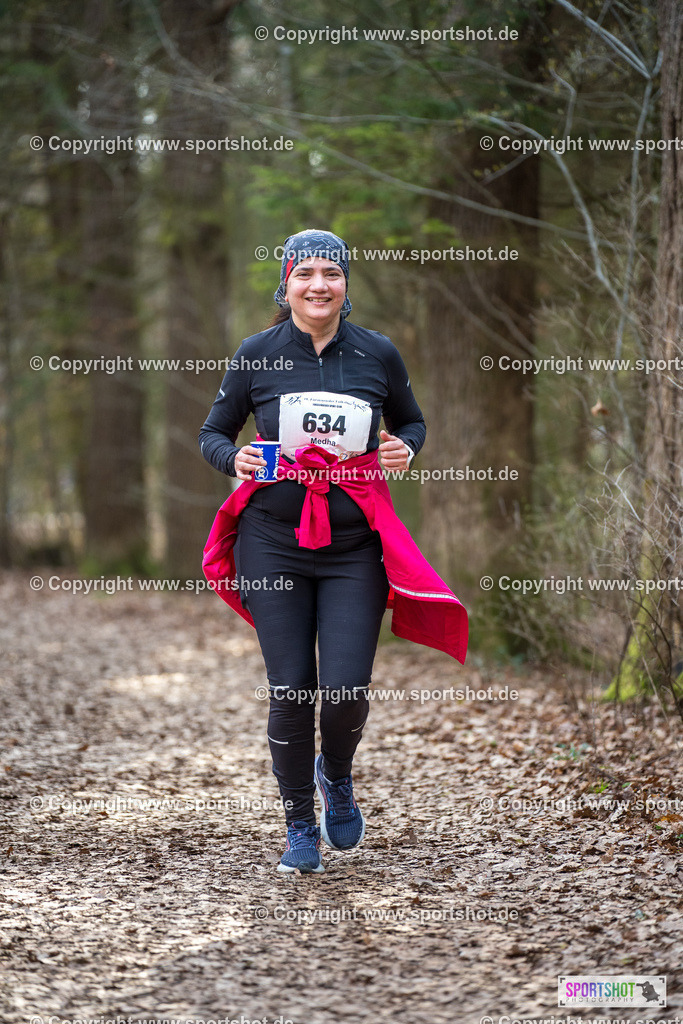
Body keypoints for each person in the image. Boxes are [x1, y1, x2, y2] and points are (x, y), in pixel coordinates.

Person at [199, 229, 467, 874]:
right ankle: (298, 825)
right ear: (286, 282)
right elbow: (213, 432)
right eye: (306, 274)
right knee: (291, 688)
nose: (319, 286)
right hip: (273, 544)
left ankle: (335, 777)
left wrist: (407, 447)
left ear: (346, 284)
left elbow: (412, 421)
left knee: (345, 688)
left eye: (332, 274)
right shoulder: (257, 353)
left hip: (354, 548)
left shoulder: (376, 352)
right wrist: (232, 457)